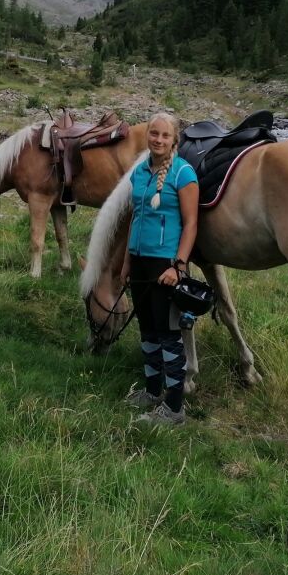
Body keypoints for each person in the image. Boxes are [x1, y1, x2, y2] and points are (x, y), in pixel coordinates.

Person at [123, 111, 199, 426]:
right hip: (139, 261)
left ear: (174, 140)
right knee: (148, 331)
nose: (158, 140)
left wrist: (178, 266)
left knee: (169, 335)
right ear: (148, 136)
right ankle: (152, 391)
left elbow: (192, 223)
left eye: (165, 135)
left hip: (165, 264)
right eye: (154, 134)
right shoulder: (139, 173)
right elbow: (135, 218)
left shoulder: (184, 173)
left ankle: (175, 409)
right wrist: (126, 262)